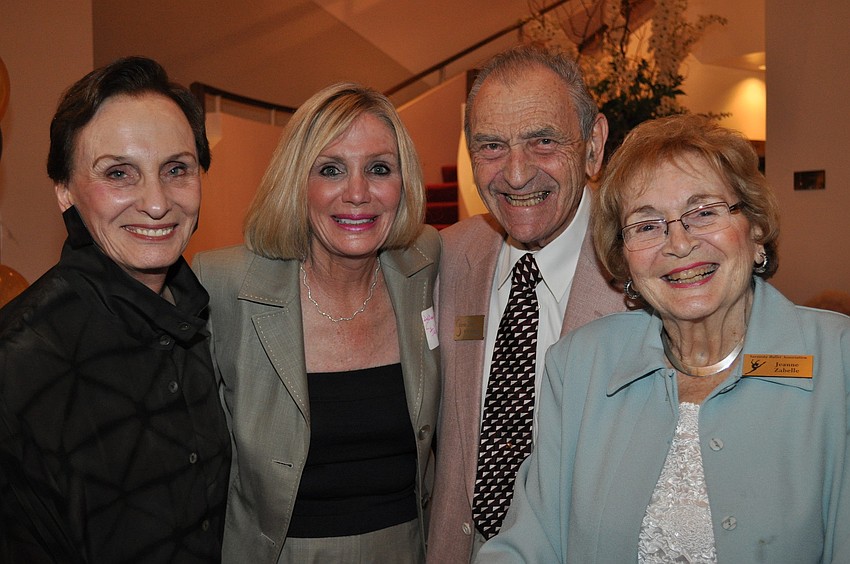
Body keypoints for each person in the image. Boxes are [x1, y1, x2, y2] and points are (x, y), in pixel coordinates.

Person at [477, 114, 850, 562]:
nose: (678, 243)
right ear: (625, 259)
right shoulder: (580, 364)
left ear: (755, 231)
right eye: (647, 225)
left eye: (704, 212)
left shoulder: (838, 360)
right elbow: (528, 544)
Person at [192, 82, 440, 563]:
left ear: (403, 183)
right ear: (296, 182)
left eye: (379, 169)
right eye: (331, 169)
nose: (357, 193)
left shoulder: (424, 266)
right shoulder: (222, 285)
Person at [0, 57, 231, 562]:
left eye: (176, 169)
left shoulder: (211, 322)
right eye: (119, 173)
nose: (155, 202)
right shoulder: (19, 360)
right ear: (64, 190)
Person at [427, 44, 627, 562]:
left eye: (542, 142)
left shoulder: (642, 274)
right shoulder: (445, 258)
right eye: (491, 146)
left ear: (593, 145)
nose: (516, 175)